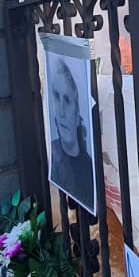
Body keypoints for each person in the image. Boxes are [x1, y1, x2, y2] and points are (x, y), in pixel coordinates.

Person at [48, 57, 95, 207]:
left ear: (77, 114)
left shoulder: (89, 167)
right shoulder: (54, 155)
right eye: (56, 96)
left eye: (67, 100)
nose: (61, 111)